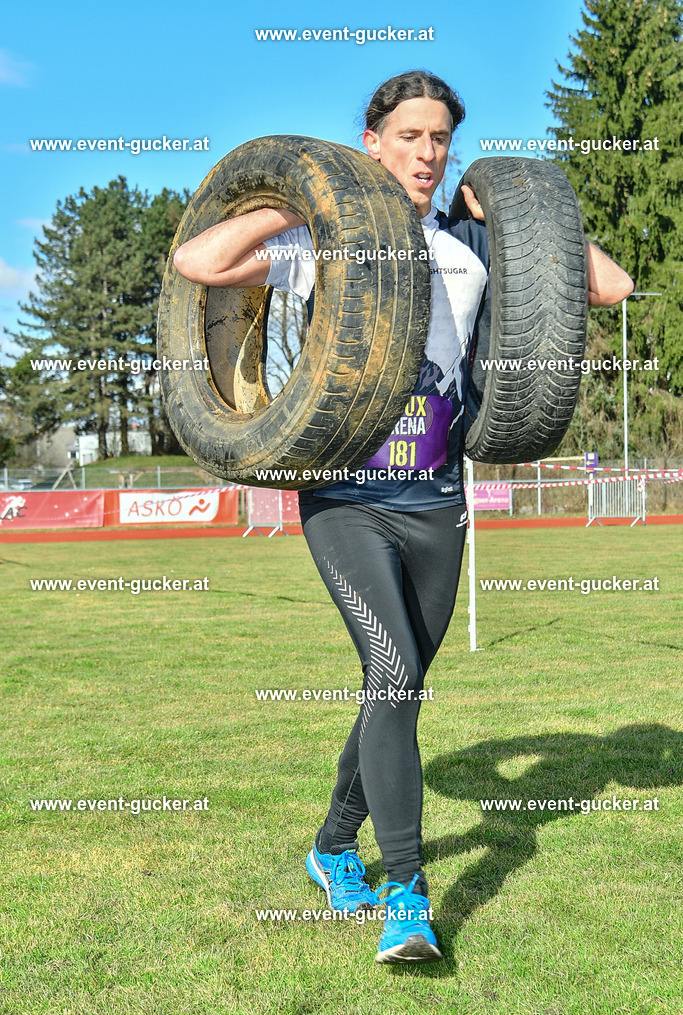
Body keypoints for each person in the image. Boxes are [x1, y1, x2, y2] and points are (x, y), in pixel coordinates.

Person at [173, 70, 634, 964]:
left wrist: (515, 212)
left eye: (440, 140)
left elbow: (607, 287)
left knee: (401, 686)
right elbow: (201, 265)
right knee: (388, 667)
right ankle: (407, 896)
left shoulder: (466, 241)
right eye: (410, 136)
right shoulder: (321, 243)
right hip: (344, 493)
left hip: (435, 498)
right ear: (373, 140)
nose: (427, 154)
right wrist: (307, 194)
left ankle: (330, 846)